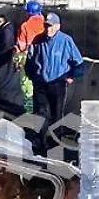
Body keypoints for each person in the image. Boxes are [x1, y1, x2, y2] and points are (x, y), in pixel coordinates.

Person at [25, 13, 86, 155]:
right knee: (40, 113)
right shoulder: (38, 40)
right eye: (46, 26)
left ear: (58, 26)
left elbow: (80, 64)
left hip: (57, 84)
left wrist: (71, 75)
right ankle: (39, 144)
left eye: (51, 26)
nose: (48, 29)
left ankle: (54, 145)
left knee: (56, 115)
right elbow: (29, 61)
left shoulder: (66, 41)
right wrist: (32, 76)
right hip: (40, 83)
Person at [14, 0, 46, 111]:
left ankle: (29, 109)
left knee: (26, 84)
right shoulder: (45, 24)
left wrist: (17, 59)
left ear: (29, 12)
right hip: (43, 56)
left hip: (27, 55)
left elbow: (21, 45)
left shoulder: (25, 26)